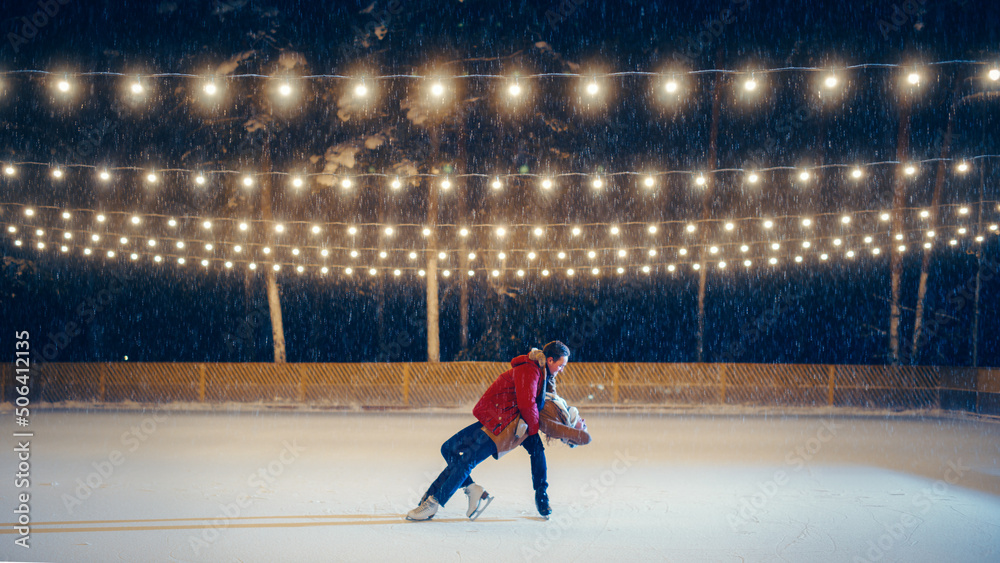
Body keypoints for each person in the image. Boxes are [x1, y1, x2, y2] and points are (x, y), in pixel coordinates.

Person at [406, 340, 571, 521]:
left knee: (532, 452)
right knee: (452, 450)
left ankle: (434, 502)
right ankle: (465, 491)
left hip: (510, 422)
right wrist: (533, 429)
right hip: (502, 424)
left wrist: (567, 427)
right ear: (549, 360)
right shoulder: (530, 370)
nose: (562, 369)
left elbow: (549, 403)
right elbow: (527, 403)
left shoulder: (543, 373)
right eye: (561, 365)